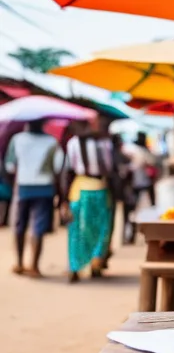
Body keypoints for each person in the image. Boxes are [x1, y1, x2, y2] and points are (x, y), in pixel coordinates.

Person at [4, 118, 64, 277]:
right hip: (45, 188)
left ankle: (19, 262)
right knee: (38, 226)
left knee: (20, 225)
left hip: (23, 186)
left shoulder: (17, 139)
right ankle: (34, 266)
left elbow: (10, 166)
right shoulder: (52, 141)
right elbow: (58, 166)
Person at [59, 116, 115, 283]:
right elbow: (111, 168)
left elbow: (67, 171)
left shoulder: (73, 143)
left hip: (79, 189)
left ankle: (74, 267)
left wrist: (63, 199)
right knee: (101, 228)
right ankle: (96, 263)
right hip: (101, 189)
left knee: (77, 229)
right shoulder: (106, 143)